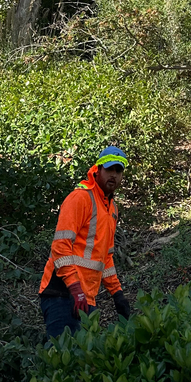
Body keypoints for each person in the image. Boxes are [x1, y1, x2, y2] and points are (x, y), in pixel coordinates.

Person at [39, 145, 132, 338]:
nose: (113, 175)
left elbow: (105, 257)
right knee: (60, 358)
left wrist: (117, 294)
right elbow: (60, 246)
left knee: (82, 362)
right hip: (62, 293)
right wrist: (74, 287)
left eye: (118, 171)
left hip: (87, 298)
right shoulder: (80, 198)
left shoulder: (112, 209)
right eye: (109, 169)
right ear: (97, 170)